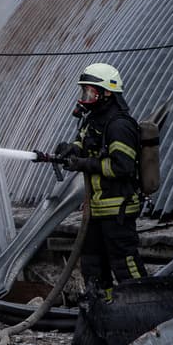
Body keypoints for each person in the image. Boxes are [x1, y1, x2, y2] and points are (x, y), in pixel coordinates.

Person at [53, 62, 144, 301]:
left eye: (90, 91)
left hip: (117, 209)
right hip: (96, 210)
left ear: (107, 93)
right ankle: (104, 306)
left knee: (124, 263)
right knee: (92, 264)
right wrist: (70, 150)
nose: (85, 97)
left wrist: (84, 164)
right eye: (84, 91)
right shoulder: (93, 120)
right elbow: (83, 145)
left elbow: (122, 167)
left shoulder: (120, 125)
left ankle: (143, 303)